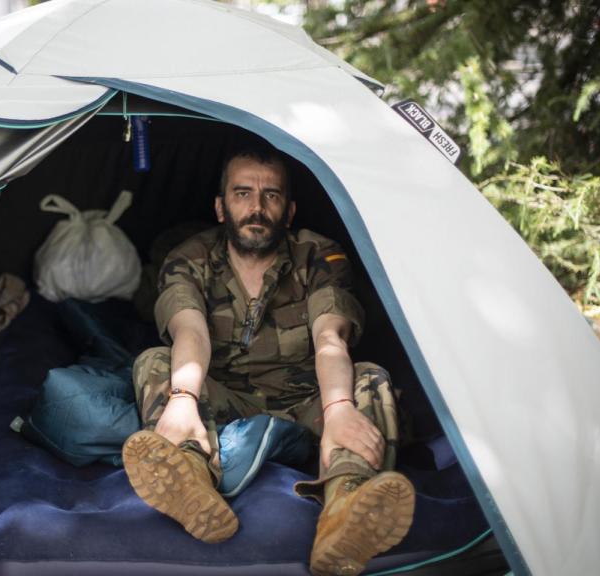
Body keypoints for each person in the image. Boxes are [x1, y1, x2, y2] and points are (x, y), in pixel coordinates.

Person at [121, 143, 415, 576]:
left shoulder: (319, 256)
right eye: (243, 193)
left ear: (289, 210)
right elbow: (190, 331)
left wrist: (337, 410)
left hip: (307, 402)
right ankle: (190, 477)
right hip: (223, 403)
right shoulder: (189, 257)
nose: (257, 207)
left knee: (369, 378)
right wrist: (183, 399)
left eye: (271, 195)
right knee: (156, 362)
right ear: (221, 208)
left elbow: (329, 336)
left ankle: (345, 508)